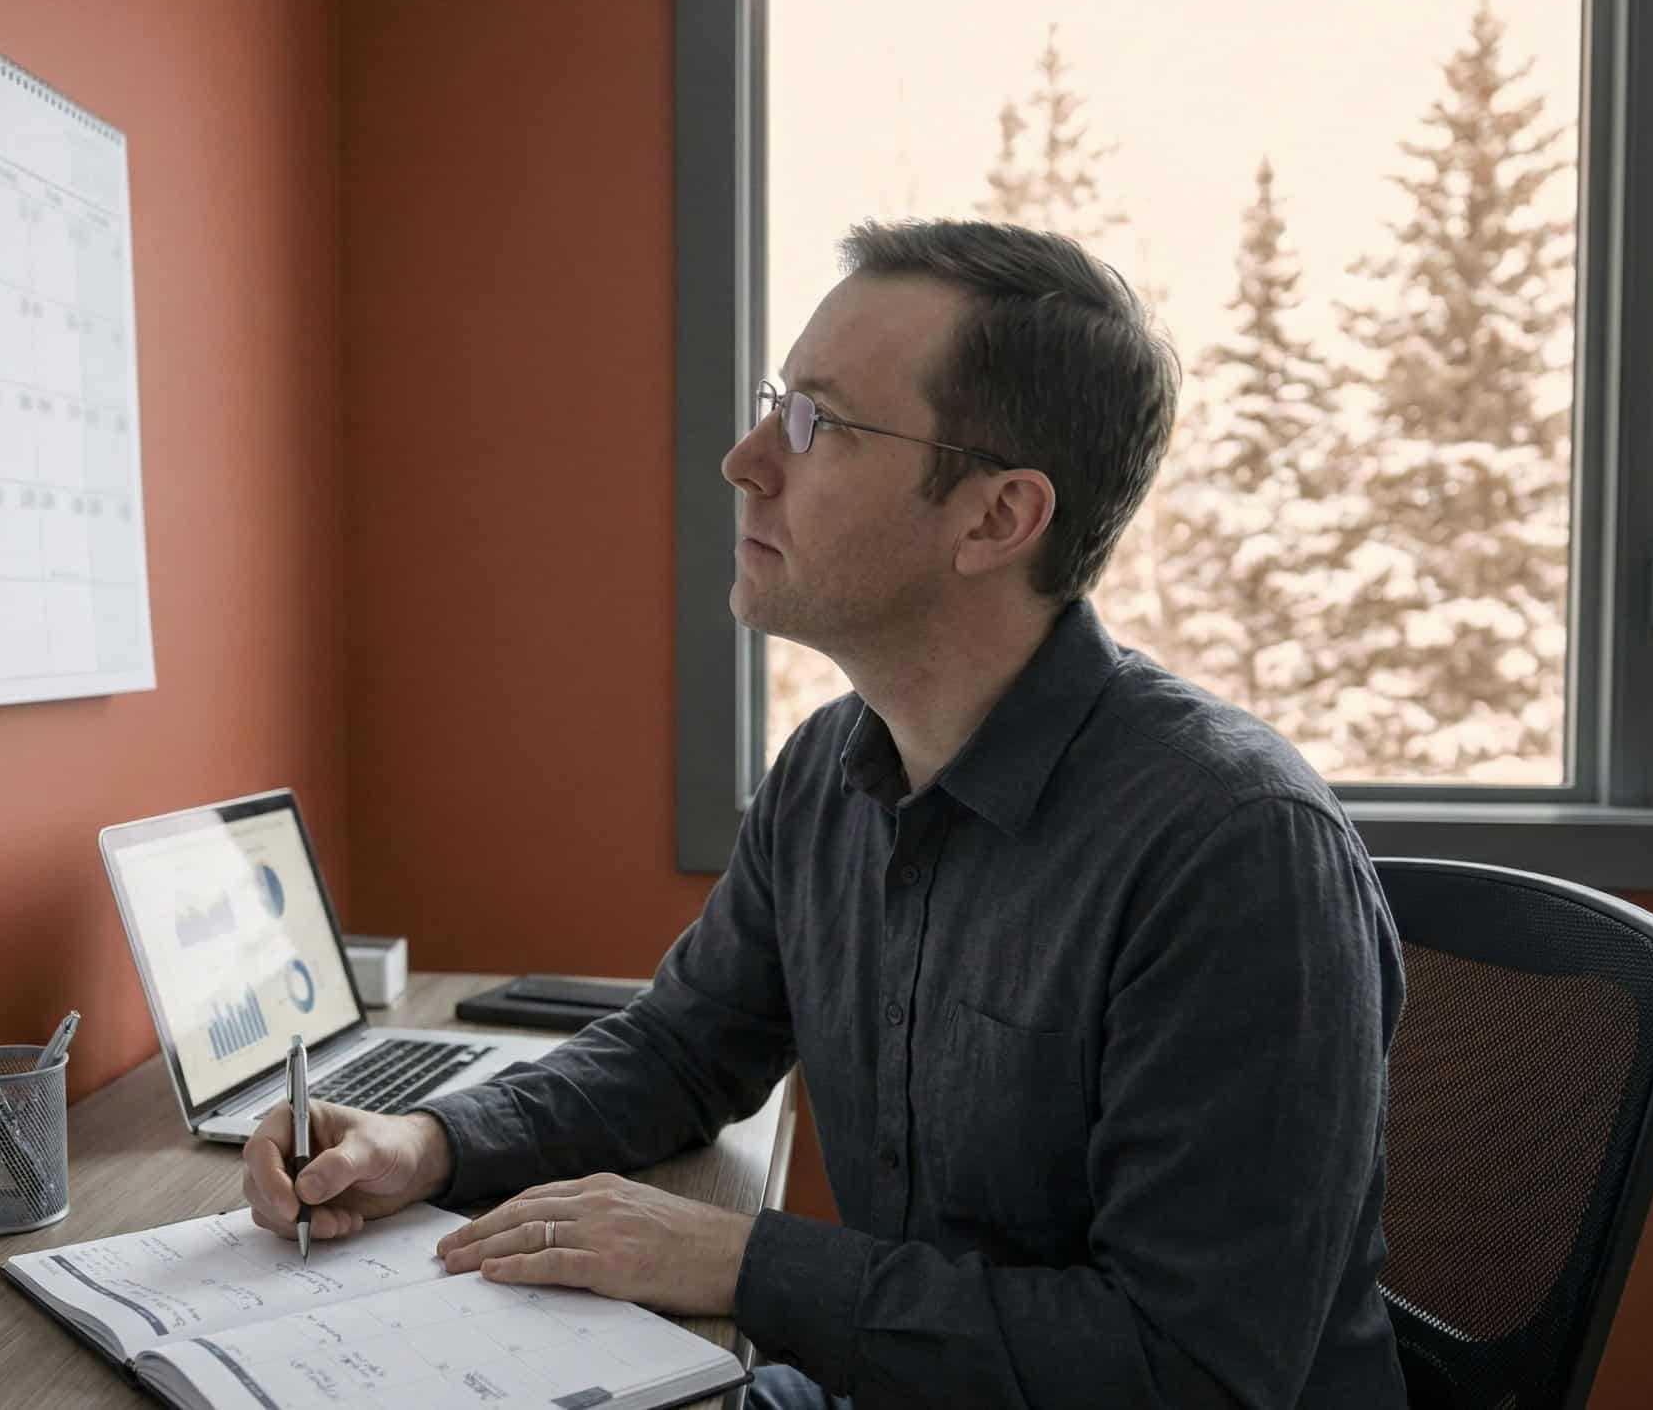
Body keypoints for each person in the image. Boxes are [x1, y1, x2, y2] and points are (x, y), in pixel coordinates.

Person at [242, 218, 1406, 1408]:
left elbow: (1184, 1369)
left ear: (996, 517)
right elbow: (681, 1048)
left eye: (818, 422)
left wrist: (741, 1261)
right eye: (772, 401)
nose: (744, 458)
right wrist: (425, 1144)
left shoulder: (1234, 849)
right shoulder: (829, 769)